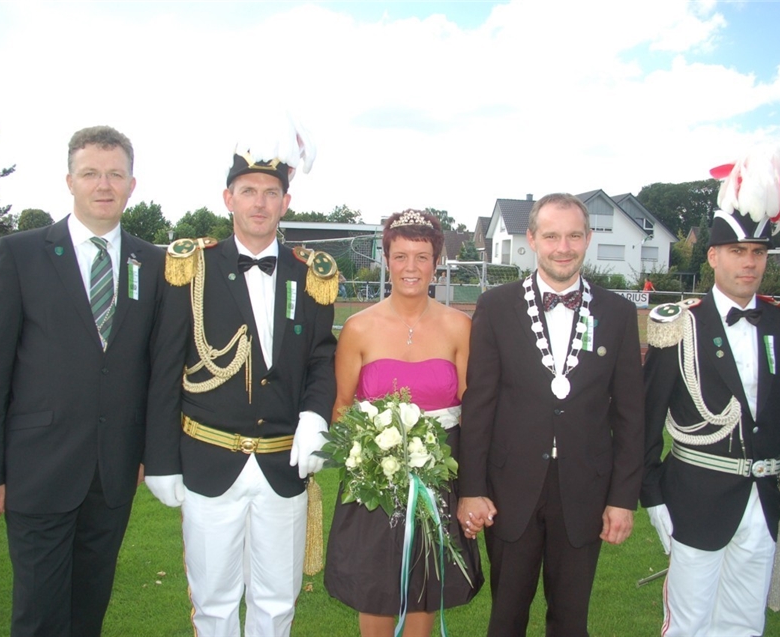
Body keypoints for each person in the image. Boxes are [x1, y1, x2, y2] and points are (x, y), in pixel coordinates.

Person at [0, 125, 177, 637]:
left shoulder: (154, 263)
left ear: (132, 184)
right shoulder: (20, 253)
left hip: (114, 470)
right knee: (39, 614)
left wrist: (153, 453)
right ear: (69, 180)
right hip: (38, 467)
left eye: (114, 174)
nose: (103, 185)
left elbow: (159, 369)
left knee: (89, 609)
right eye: (90, 173)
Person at [641, 142, 780, 637]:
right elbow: (645, 420)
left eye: (757, 252)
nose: (749, 263)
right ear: (713, 256)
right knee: (688, 626)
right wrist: (652, 498)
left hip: (762, 500)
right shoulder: (678, 326)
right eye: (737, 251)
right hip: (694, 500)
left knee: (743, 625)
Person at [143, 113, 336, 637]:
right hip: (209, 461)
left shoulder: (309, 273)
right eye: (247, 190)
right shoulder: (191, 268)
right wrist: (160, 459)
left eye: (270, 192)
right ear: (228, 199)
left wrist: (317, 417)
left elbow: (321, 357)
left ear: (286, 202)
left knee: (277, 602)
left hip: (281, 465)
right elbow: (164, 369)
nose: (259, 202)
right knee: (213, 602)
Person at [458, 193, 645, 636]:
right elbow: (479, 404)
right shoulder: (497, 306)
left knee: (570, 621)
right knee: (506, 618)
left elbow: (631, 413)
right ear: (532, 239)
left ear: (588, 238)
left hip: (585, 491)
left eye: (574, 235)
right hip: (510, 489)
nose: (564, 247)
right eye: (552, 236)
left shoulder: (617, 312)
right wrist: (472, 489)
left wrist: (622, 498)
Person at [324, 209, 483, 636]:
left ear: (436, 262)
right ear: (386, 259)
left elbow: (474, 409)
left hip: (438, 479)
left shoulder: (461, 327)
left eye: (422, 257)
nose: (410, 268)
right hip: (375, 478)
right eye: (400, 256)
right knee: (375, 587)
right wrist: (372, 454)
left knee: (424, 585)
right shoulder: (358, 328)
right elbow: (341, 407)